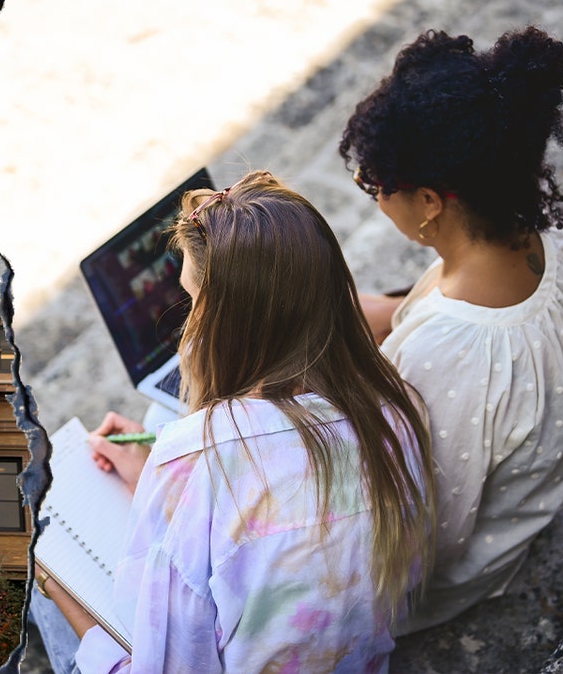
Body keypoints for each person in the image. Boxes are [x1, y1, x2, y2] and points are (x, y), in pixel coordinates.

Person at [41, 171, 434, 672]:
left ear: (224, 322)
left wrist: (58, 585)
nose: (188, 321)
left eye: (192, 298)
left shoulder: (194, 460)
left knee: (44, 562)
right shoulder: (394, 409)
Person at [339, 27, 563, 633]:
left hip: (445, 569)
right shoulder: (552, 244)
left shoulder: (451, 355)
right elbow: (430, 313)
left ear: (429, 201)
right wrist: (366, 310)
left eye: (374, 186)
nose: (374, 199)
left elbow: (426, 534)